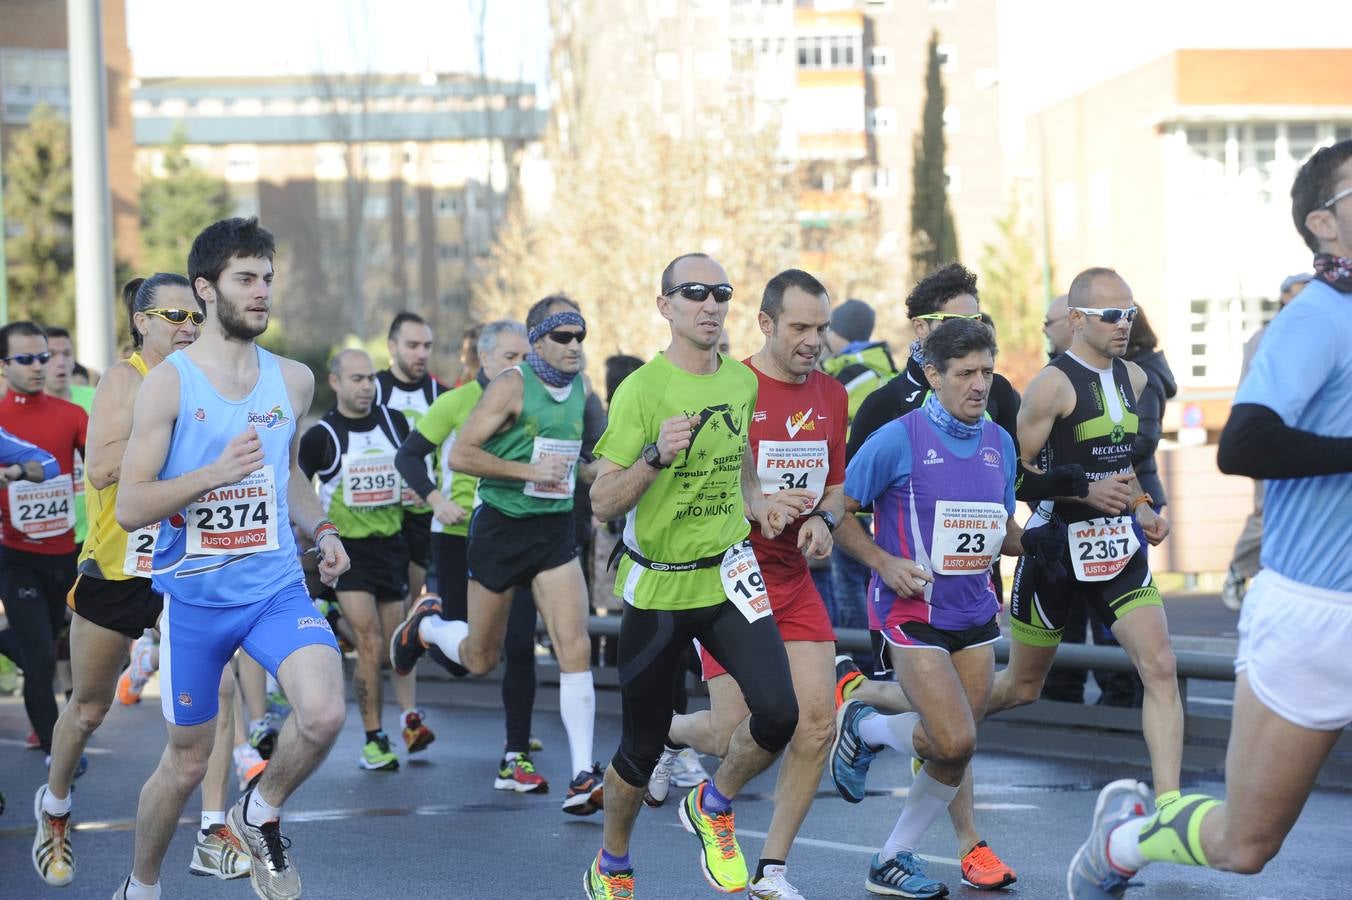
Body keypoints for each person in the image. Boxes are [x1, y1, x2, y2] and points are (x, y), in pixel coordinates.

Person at [1066, 139, 1352, 900]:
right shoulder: (1317, 319)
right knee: (1245, 846)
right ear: (1324, 223)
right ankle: (1124, 841)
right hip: (1317, 615)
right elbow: (1247, 443)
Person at [111, 217, 350, 900]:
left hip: (274, 590)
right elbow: (131, 504)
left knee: (325, 713)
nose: (263, 292)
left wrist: (323, 529)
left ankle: (259, 809)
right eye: (247, 279)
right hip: (194, 602)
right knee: (186, 767)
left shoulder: (294, 381)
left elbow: (286, 477)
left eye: (268, 279)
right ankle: (142, 885)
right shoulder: (170, 384)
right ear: (206, 288)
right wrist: (211, 476)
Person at [581, 253, 807, 898]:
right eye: (695, 293)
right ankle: (613, 864)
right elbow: (601, 502)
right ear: (666, 307)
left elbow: (741, 468)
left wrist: (760, 503)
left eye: (721, 293)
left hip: (731, 574)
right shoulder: (642, 391)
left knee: (780, 713)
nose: (711, 305)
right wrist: (655, 455)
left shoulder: (740, 381)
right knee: (640, 747)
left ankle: (712, 802)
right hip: (661, 586)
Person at [32, 277, 253, 886]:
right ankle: (54, 809)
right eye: (175, 314)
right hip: (119, 563)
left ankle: (211, 829)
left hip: (184, 562)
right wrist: (169, 430)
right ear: (142, 322)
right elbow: (101, 467)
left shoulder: (207, 375)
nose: (189, 324)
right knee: (89, 707)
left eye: (196, 314)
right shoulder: (124, 380)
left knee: (222, 688)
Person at [646, 268, 846, 900]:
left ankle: (770, 867)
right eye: (799, 328)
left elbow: (837, 490)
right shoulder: (734, 386)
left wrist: (823, 520)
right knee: (735, 730)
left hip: (792, 577)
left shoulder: (833, 396)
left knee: (817, 724)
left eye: (821, 328)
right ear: (764, 324)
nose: (813, 340)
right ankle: (666, 732)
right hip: (730, 573)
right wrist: (755, 505)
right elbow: (710, 475)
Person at [832, 318, 1022, 897]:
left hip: (974, 613)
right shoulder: (899, 437)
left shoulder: (999, 442)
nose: (979, 385)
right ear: (933, 375)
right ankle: (871, 726)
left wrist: (1047, 537)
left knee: (952, 749)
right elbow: (838, 511)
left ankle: (891, 855)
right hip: (910, 612)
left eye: (987, 372)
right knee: (956, 738)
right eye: (965, 374)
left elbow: (1003, 530)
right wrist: (884, 562)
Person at [390, 295, 602, 814]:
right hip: (500, 530)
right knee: (481, 659)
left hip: (552, 532)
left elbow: (594, 462)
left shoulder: (583, 391)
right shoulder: (512, 385)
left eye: (581, 336)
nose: (574, 346)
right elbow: (461, 454)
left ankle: (581, 775)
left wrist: (649, 460)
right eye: (563, 336)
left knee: (573, 646)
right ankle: (428, 627)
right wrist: (531, 472)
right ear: (538, 340)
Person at [394, 320, 547, 792]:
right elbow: (409, 457)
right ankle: (424, 627)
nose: (520, 368)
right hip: (460, 537)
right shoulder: (457, 402)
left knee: (520, 644)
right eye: (509, 359)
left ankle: (514, 754)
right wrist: (436, 499)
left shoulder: (533, 403)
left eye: (526, 358)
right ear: (484, 361)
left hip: (518, 533)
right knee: (468, 660)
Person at [298, 348, 420, 771]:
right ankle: (374, 738)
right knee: (368, 644)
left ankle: (334, 620)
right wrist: (310, 541)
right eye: (357, 379)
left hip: (391, 545)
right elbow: (296, 488)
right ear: (335, 382)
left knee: (391, 648)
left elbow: (414, 470)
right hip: (348, 552)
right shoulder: (322, 436)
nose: (367, 386)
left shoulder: (394, 423)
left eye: (370, 378)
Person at [0, 321, 87, 761]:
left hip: (65, 554)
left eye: (44, 357)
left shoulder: (71, 415)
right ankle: (60, 755)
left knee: (49, 644)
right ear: (3, 366)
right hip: (15, 557)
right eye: (26, 359)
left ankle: (8, 640)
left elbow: (105, 469)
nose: (39, 366)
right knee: (39, 663)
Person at [1220, 271, 1311, 611]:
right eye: (1301, 295)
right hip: (1268, 436)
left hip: (1305, 438)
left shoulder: (1316, 332)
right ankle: (1239, 570)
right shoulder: (1266, 338)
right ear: (1284, 298)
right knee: (1266, 511)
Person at [373, 310, 442, 751]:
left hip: (423, 518)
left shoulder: (439, 392)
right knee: (377, 629)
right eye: (412, 345)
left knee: (404, 624)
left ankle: (407, 716)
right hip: (378, 520)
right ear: (392, 346)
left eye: (427, 346)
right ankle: (393, 720)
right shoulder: (373, 389)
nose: (420, 354)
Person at [44, 326, 96, 552]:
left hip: (95, 530)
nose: (60, 362)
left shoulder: (97, 399)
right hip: (45, 531)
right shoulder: (21, 411)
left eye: (66, 354)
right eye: (51, 355)